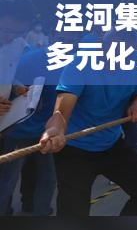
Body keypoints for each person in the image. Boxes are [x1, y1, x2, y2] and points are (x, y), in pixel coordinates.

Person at [39, 30, 137, 216]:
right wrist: (56, 128)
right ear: (100, 43)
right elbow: (62, 109)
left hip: (111, 143)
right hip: (74, 148)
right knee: (73, 214)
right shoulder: (80, 62)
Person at [0, 29, 79, 216]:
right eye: (60, 38)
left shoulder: (76, 65)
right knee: (8, 181)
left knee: (48, 179)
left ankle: (40, 214)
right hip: (18, 131)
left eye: (70, 40)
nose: (64, 44)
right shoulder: (29, 59)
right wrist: (19, 89)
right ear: (51, 36)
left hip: (49, 132)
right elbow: (9, 83)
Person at [0, 0, 35, 117]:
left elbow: (5, 74)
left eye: (20, 32)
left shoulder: (18, 44)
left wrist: (17, 87)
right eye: (6, 30)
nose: (11, 37)